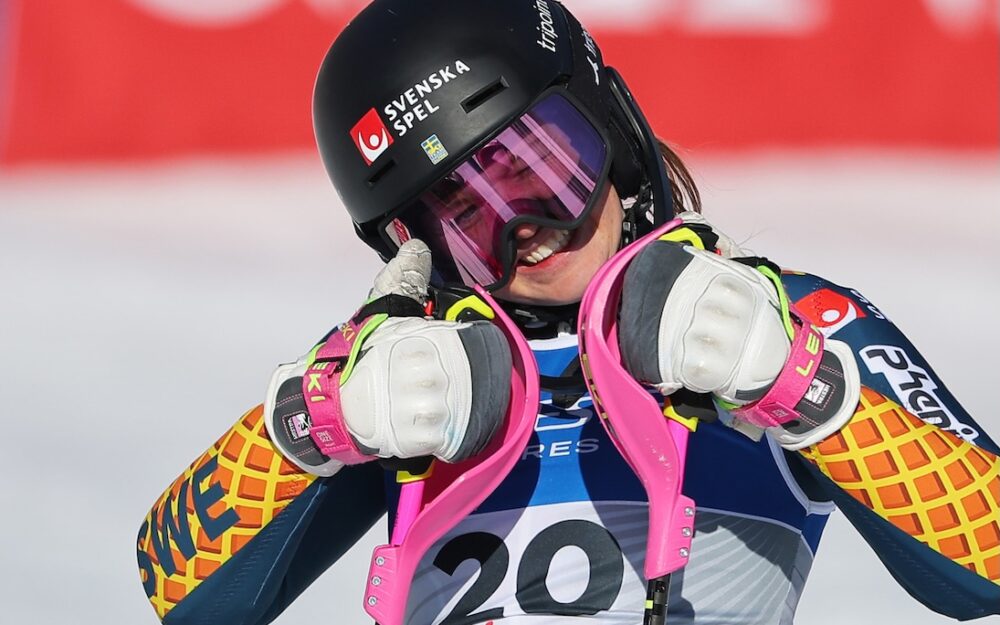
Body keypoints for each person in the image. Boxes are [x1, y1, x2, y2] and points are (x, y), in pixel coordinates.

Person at [135, 1, 1000, 623]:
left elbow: (989, 560)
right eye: (467, 219)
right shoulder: (418, 372)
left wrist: (796, 386)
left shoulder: (784, 321)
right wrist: (315, 424)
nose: (529, 233)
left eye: (539, 172)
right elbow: (172, 578)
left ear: (611, 129)